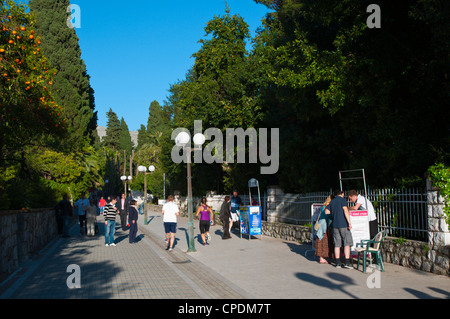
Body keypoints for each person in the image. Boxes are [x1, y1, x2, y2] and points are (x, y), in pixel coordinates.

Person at [325, 189, 353, 269]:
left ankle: (337, 263)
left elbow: (326, 211)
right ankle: (347, 262)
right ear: (342, 194)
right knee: (346, 243)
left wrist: (334, 213)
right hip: (343, 224)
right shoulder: (342, 200)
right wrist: (349, 223)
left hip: (335, 225)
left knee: (337, 244)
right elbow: (345, 210)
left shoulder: (332, 201)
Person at [314, 195, 335, 264]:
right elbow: (328, 215)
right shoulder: (328, 206)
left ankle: (322, 257)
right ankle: (322, 258)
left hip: (321, 224)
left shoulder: (324, 205)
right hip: (324, 226)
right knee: (323, 241)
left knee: (321, 241)